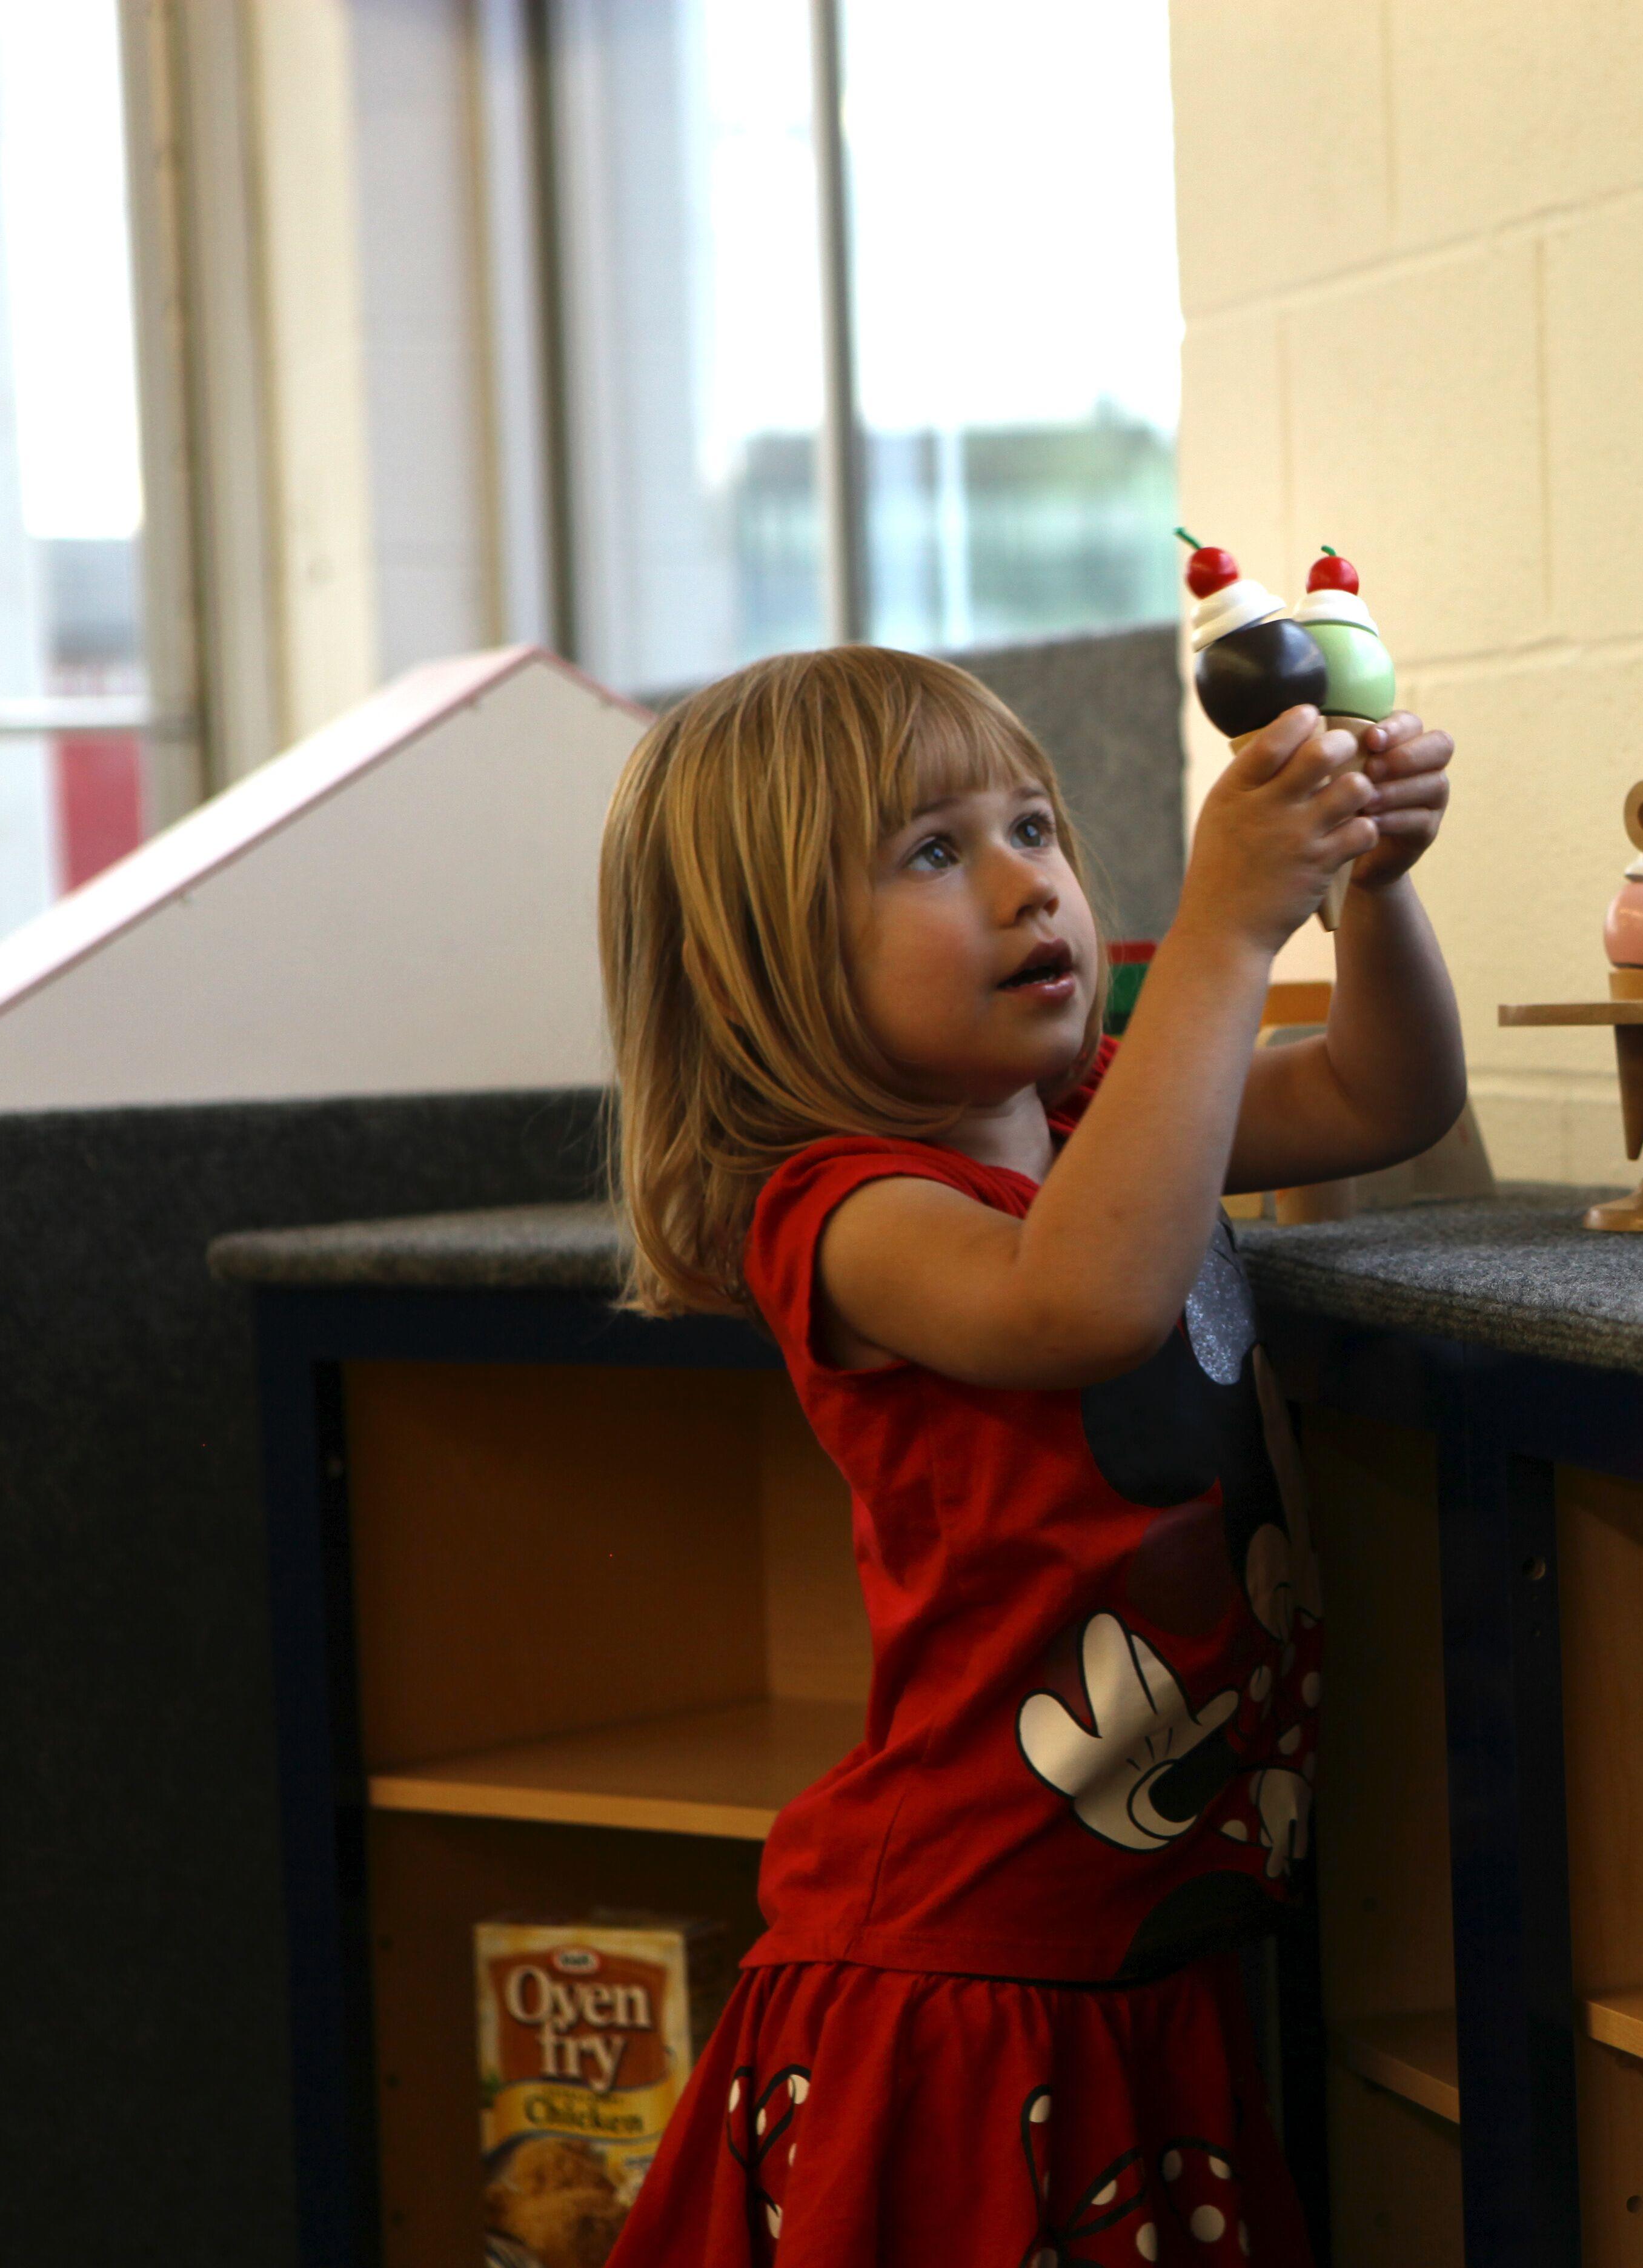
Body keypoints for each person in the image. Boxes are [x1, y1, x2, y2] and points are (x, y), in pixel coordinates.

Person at [595, 646, 1459, 2266]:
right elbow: (1085, 1303)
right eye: (935, 852)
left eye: (1036, 828)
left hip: (1127, 1947)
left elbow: (1378, 1094)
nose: (1023, 885)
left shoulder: (1096, 1125)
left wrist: (1370, 893)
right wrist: (1220, 931)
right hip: (959, 1975)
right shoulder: (843, 1216)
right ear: (756, 971)